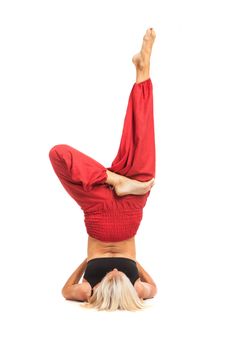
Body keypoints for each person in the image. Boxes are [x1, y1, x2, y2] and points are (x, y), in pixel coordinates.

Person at [48, 27, 157, 311]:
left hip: (124, 208)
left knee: (140, 143)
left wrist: (132, 263)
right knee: (61, 155)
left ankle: (113, 178)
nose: (115, 274)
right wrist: (87, 262)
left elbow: (154, 289)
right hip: (106, 211)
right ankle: (142, 70)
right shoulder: (90, 291)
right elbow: (64, 291)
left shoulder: (109, 290)